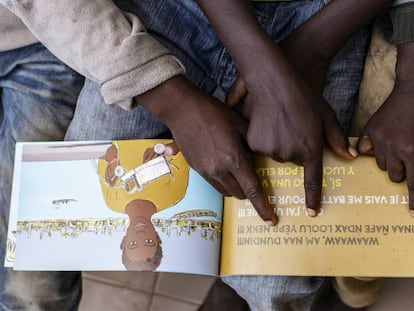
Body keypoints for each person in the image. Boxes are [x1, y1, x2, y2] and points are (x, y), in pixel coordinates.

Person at [0, 1, 405, 310]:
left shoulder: (115, 198)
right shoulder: (168, 202)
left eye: (134, 243)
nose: (142, 237)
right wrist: (184, 107)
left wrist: (295, 61)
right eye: (149, 244)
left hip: (326, 16)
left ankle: (241, 290)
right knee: (55, 217)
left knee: (277, 282)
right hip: (182, 13)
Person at [98, 140, 189, 271]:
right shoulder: (174, 195)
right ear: (157, 238)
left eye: (133, 244)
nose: (140, 235)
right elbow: (184, 147)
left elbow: (111, 149)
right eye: (148, 242)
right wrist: (165, 150)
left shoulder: (112, 202)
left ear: (123, 242)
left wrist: (112, 161)